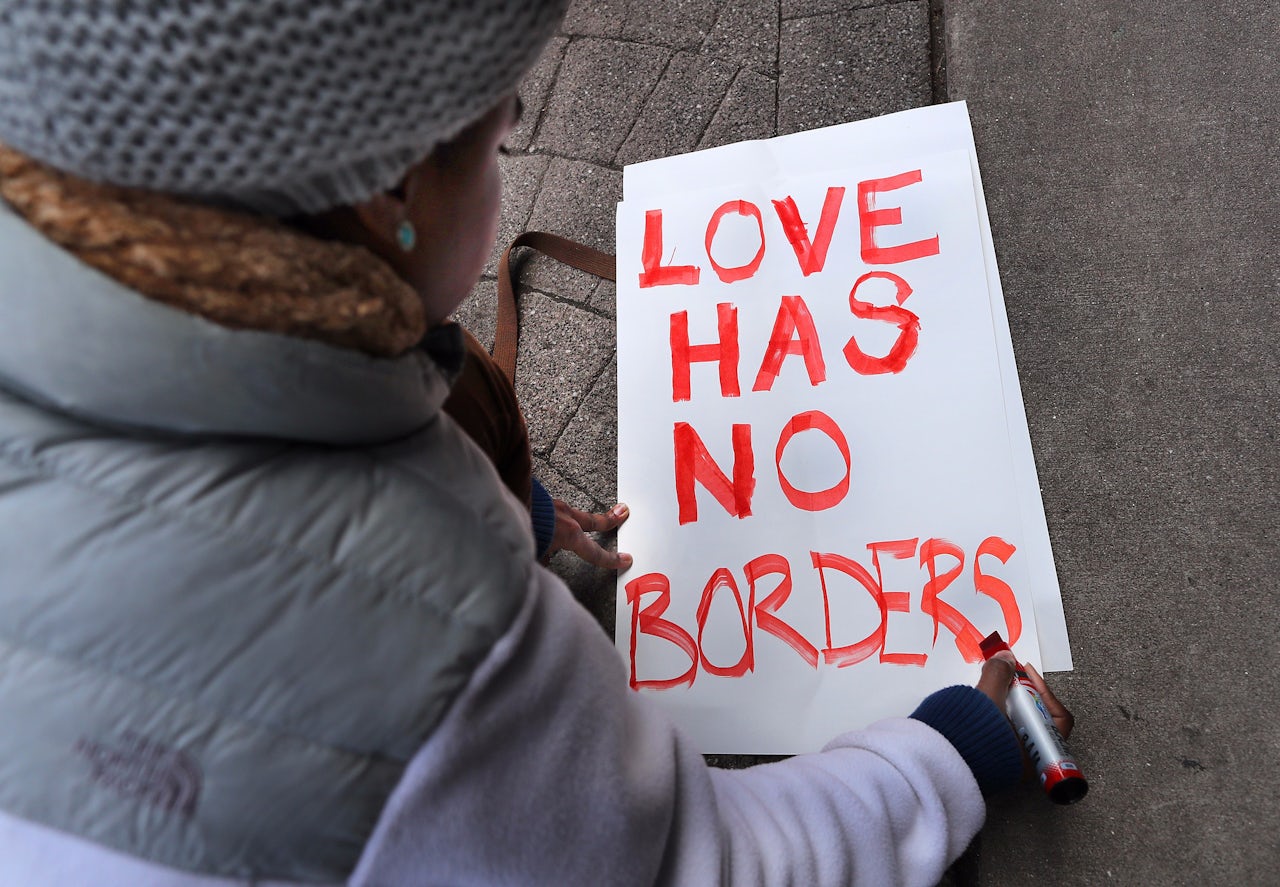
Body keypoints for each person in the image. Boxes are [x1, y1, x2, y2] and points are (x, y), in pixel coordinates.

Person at [0, 2, 1073, 885]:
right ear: (388, 195)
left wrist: (530, 516)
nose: (513, 145)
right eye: (503, 122)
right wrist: (949, 753)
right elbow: (714, 865)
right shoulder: (431, 637)